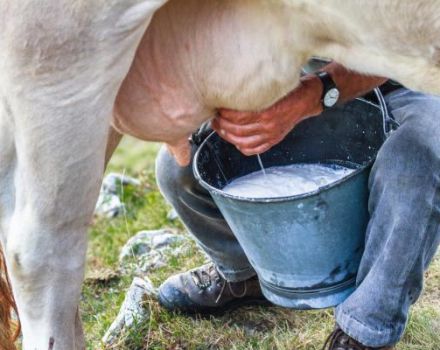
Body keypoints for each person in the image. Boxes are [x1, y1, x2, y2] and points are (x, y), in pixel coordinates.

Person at [154, 61, 440, 350]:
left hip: (415, 79)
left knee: (417, 160)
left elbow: (392, 56)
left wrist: (313, 95)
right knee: (180, 167)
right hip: (299, 76)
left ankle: (365, 330)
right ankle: (247, 273)